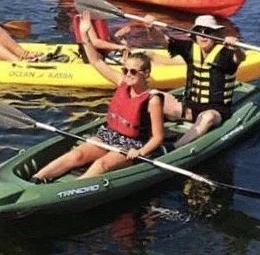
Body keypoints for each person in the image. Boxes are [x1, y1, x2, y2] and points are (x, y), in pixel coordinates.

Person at [31, 29, 165, 182]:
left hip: (132, 144)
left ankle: (71, 189)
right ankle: (37, 178)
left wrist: (140, 152)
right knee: (77, 154)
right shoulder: (121, 82)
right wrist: (85, 36)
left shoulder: (152, 100)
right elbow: (96, 61)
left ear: (146, 74)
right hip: (109, 134)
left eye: (133, 71)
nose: (128, 74)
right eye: (125, 70)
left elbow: (158, 137)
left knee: (101, 164)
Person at [146, 14, 245, 147]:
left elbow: (239, 58)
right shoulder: (189, 48)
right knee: (152, 96)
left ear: (215, 34)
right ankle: (148, 137)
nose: (203, 36)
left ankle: (175, 148)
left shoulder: (227, 53)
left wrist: (237, 48)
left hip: (215, 111)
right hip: (189, 109)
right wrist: (151, 28)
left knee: (207, 118)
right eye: (199, 31)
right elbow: (163, 40)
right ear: (195, 35)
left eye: (208, 32)